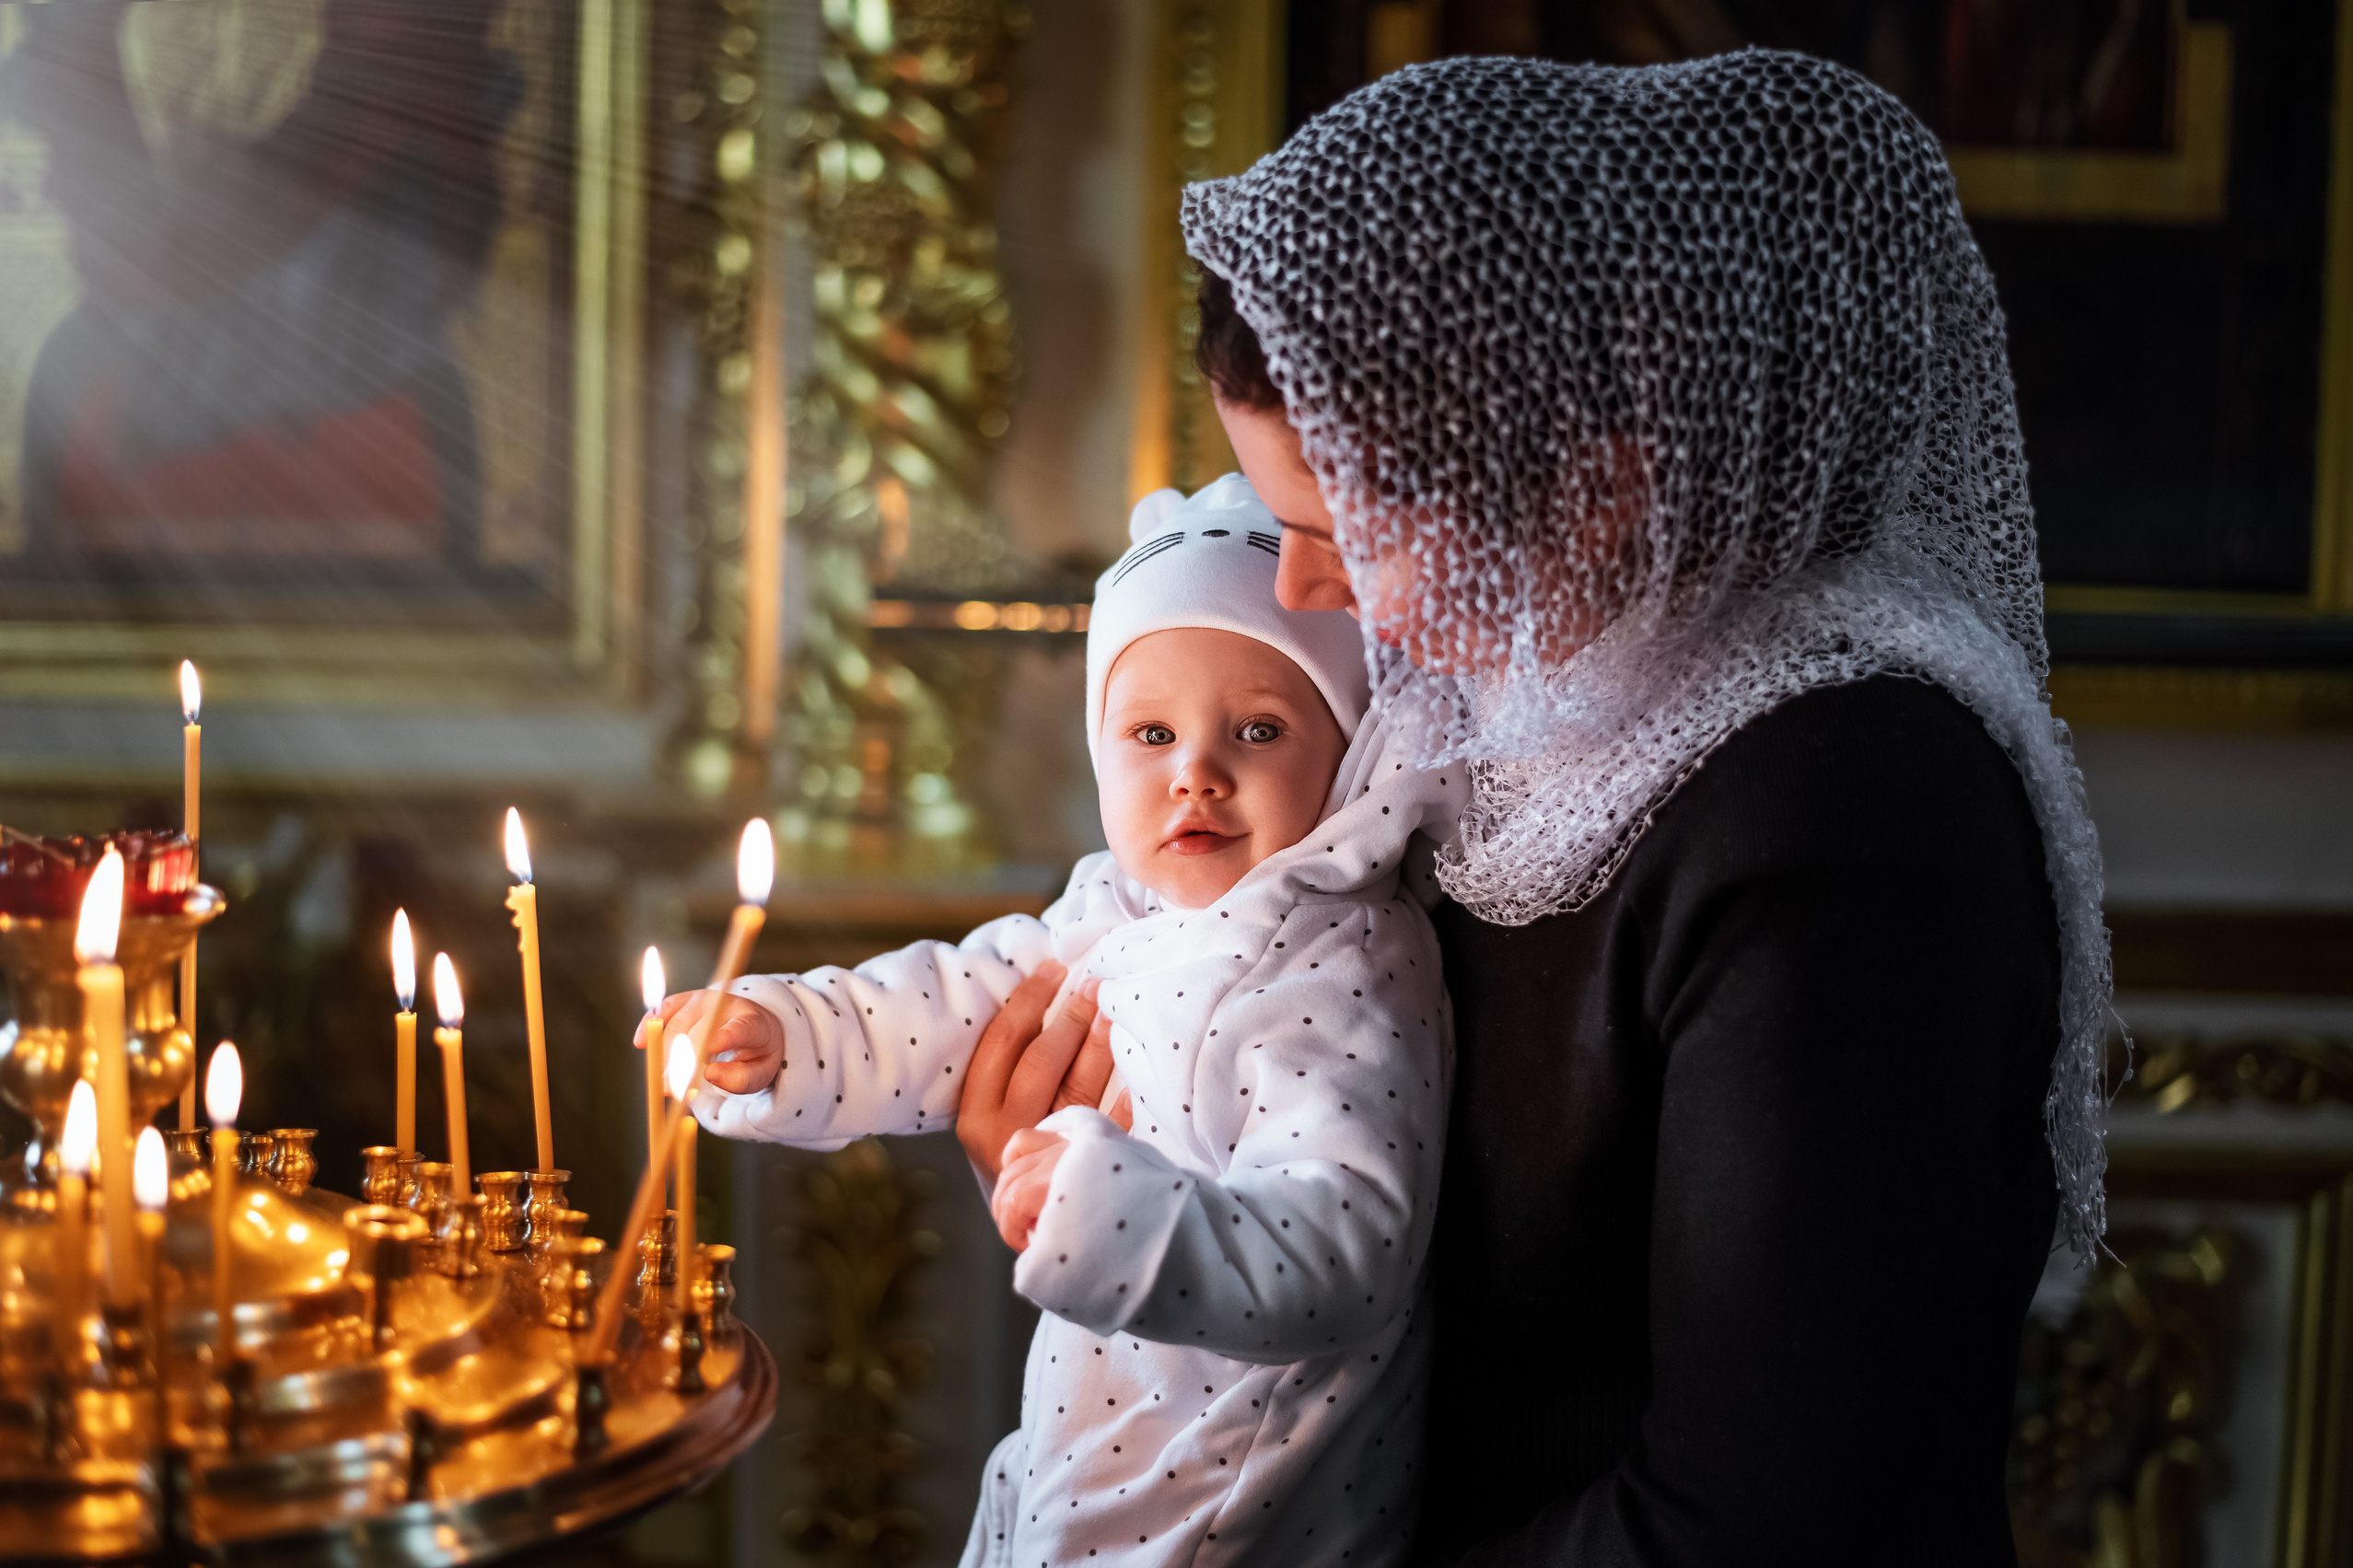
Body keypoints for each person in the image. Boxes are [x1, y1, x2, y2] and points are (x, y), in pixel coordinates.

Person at [966, 50, 2114, 1566]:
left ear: (1598, 492)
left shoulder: (1856, 814)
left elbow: (1759, 1523)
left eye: (1340, 527)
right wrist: (1114, 1181)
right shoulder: (1480, 711)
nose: (1303, 590)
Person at [657, 474, 1464, 1566]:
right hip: (1083, 1457)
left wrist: (1108, 1214)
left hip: (1240, 1504)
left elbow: (1342, 1254)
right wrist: (780, 1037)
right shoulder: (1110, 912)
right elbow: (937, 1007)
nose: (1196, 773)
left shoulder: (1344, 962)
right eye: (1149, 732)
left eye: (1259, 728)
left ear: (1348, 754)